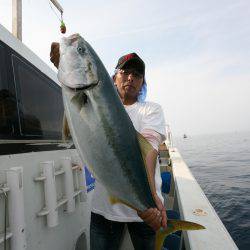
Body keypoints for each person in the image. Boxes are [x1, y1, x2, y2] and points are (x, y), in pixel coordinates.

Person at [50, 44, 167, 250]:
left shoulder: (151, 110)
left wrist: (152, 199)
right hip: (104, 210)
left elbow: (149, 149)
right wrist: (64, 65)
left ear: (142, 83)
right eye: (125, 72)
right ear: (114, 77)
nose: (131, 77)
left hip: (147, 213)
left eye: (137, 74)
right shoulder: (97, 100)